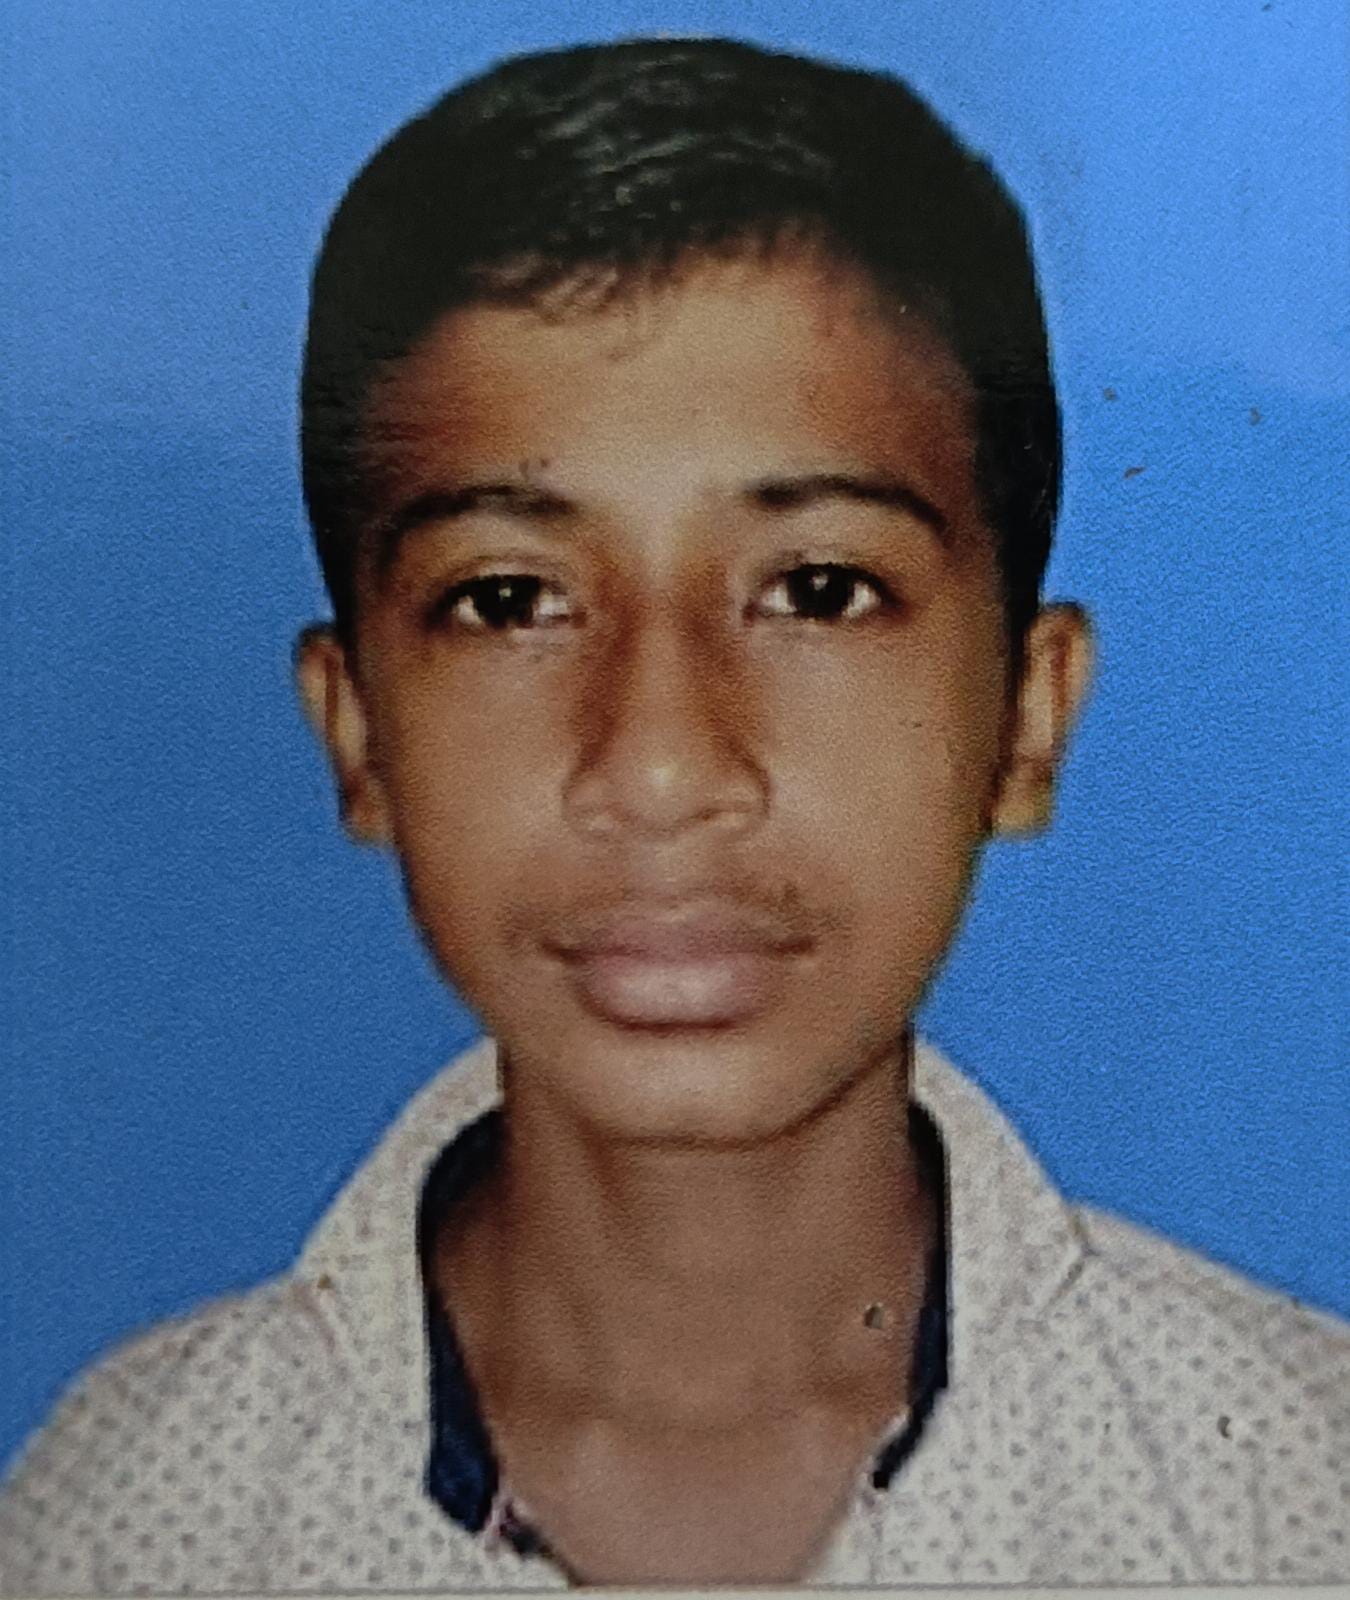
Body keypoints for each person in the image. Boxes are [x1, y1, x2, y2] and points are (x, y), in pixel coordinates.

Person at [1, 36, 1344, 1592]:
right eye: (509, 600)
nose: (656, 766)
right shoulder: (117, 1528)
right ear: (356, 730)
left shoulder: (1290, 1496)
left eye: (818, 590)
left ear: (1023, 720)